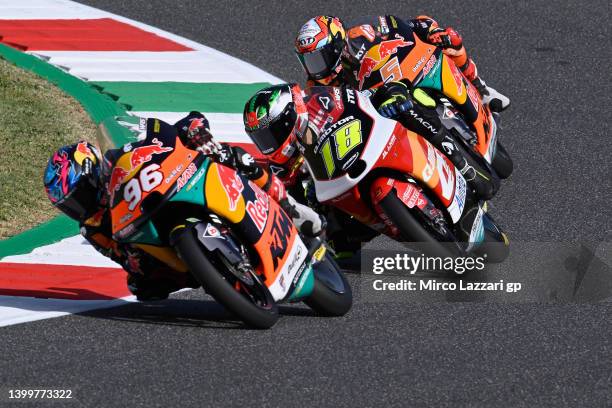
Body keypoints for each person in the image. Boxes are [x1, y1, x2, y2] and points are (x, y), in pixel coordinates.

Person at [43, 112, 324, 301]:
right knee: (140, 289)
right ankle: (217, 274)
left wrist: (196, 132)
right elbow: (118, 256)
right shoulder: (91, 228)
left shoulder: (119, 163)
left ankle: (288, 205)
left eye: (79, 196)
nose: (80, 208)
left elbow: (180, 126)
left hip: (171, 188)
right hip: (156, 245)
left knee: (232, 156)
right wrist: (132, 261)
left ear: (93, 173)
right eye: (70, 206)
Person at [294, 15, 510, 111]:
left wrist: (432, 32)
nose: (316, 67)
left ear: (337, 44)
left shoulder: (359, 35)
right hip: (381, 114)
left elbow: (400, 27)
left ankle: (480, 88)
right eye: (309, 61)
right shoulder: (316, 88)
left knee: (450, 39)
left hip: (399, 74)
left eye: (319, 58)